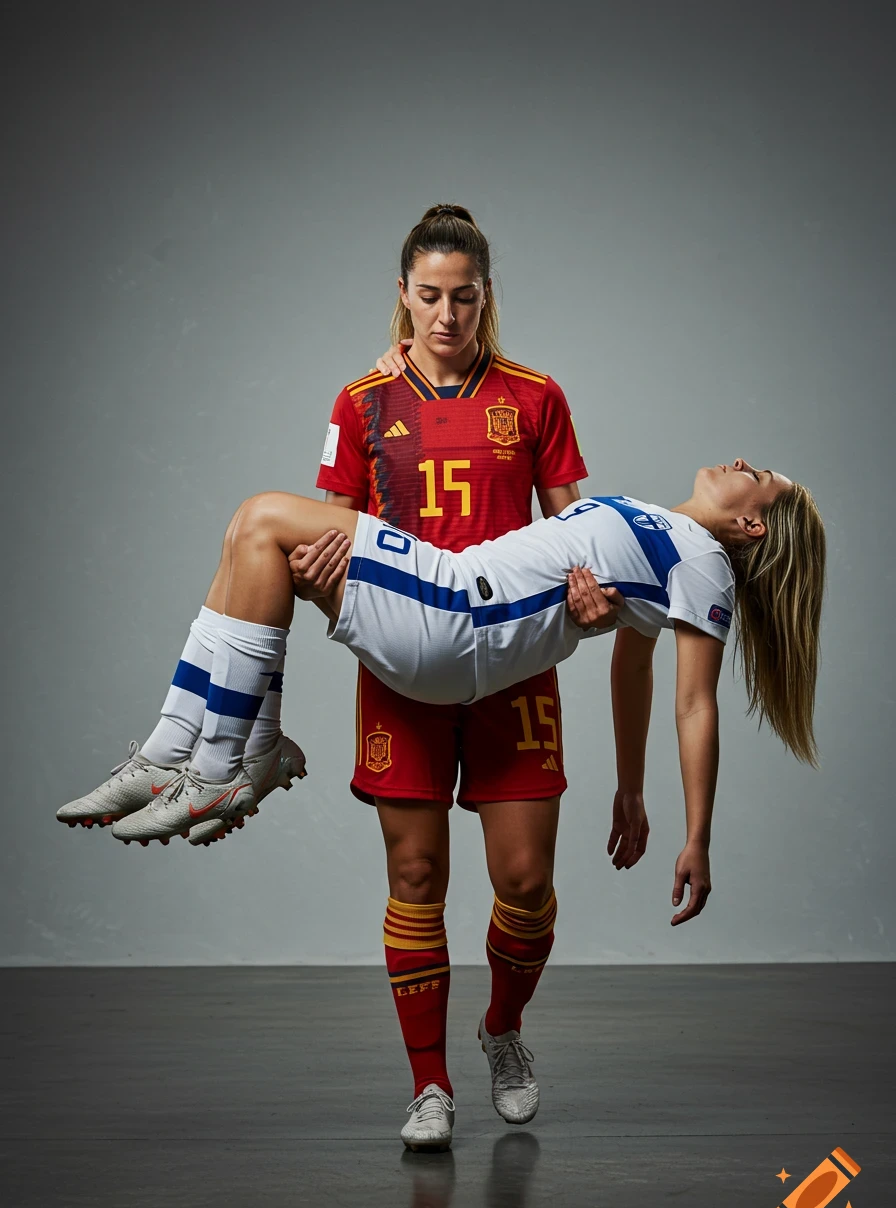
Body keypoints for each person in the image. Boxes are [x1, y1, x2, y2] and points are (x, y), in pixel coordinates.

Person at [58, 460, 826, 1152]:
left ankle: (225, 761)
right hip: (453, 601)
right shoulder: (665, 529)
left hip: (458, 618)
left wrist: (698, 836)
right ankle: (178, 750)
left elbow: (695, 705)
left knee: (262, 516)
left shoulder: (705, 565)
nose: (741, 462)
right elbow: (633, 665)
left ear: (751, 523)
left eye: (760, 475)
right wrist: (630, 788)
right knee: (249, 533)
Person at [292, 204, 604, 1150]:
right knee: (416, 872)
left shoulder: (536, 396)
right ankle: (429, 1085)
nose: (445, 314)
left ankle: (502, 1029)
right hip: (405, 666)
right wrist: (318, 578)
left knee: (526, 879)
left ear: (485, 297)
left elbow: (576, 530)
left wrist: (590, 589)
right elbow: (329, 532)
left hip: (514, 662)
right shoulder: (360, 402)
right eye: (428, 295)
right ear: (402, 294)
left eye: (462, 297)